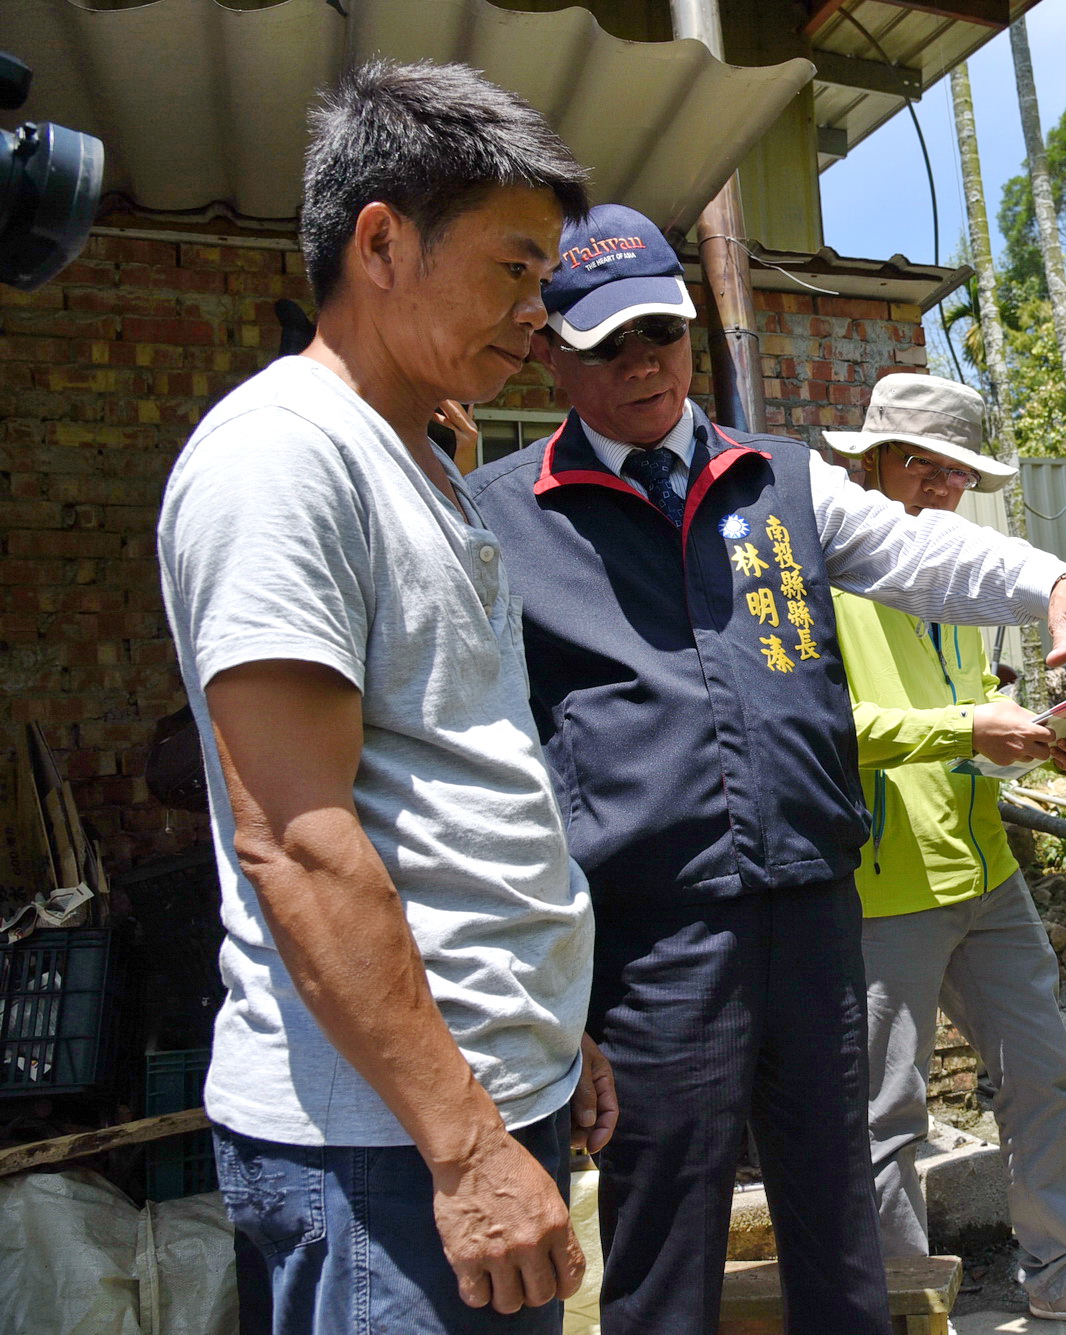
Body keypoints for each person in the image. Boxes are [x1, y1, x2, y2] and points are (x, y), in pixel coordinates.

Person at [465, 205, 1066, 1335]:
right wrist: (544, 987)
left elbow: (922, 553)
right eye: (605, 343)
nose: (643, 364)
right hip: (653, 944)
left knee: (838, 1217)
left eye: (660, 331)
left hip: (813, 913)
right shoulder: (505, 520)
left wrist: (1052, 583)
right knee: (664, 1237)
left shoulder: (778, 481)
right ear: (549, 351)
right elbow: (480, 765)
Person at [155, 62, 617, 1335]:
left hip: (470, 1094)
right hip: (388, 1152)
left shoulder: (419, 459)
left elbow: (454, 779)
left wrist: (547, 1029)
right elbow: (296, 841)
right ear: (380, 243)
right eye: (514, 269)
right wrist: (466, 1152)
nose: (542, 312)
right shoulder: (282, 461)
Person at [827, 376, 1066, 1333]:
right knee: (883, 1116)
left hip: (985, 868)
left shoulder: (966, 584)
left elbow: (974, 728)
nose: (944, 488)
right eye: (923, 467)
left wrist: (1052, 738)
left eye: (960, 472)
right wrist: (963, 728)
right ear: (869, 462)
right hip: (879, 882)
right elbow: (820, 726)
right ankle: (901, 1302)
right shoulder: (821, 573)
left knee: (1040, 1069)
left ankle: (1059, 1264)